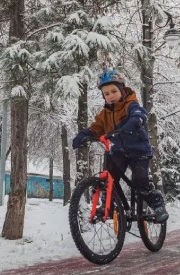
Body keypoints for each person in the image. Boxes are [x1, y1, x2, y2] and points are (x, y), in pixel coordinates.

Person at [72, 69, 169, 222]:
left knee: (140, 180)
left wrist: (135, 120)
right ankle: (108, 207)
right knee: (110, 177)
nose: (110, 96)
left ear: (122, 90)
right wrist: (84, 135)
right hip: (119, 152)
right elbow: (96, 128)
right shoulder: (105, 114)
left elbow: (140, 114)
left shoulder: (130, 104)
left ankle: (157, 205)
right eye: (106, 94)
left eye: (113, 91)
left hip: (139, 151)